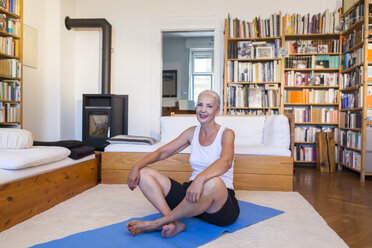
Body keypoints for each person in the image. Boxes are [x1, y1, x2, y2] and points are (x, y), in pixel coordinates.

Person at [126, 90, 240, 238]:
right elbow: (163, 152)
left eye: (209, 106)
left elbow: (226, 162)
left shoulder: (227, 133)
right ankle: (174, 223)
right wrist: (136, 166)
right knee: (143, 173)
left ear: (217, 110)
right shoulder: (192, 132)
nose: (203, 110)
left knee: (214, 182)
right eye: (200, 105)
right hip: (192, 196)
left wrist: (200, 179)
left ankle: (158, 223)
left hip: (219, 207)